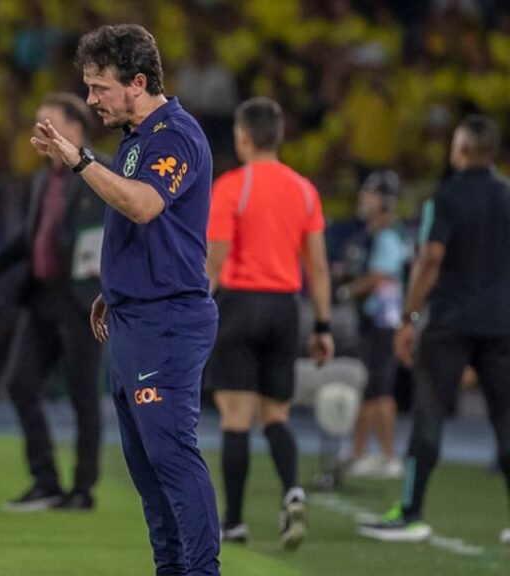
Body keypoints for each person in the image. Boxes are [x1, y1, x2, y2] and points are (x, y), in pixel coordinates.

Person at [33, 24, 221, 575]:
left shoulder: (176, 136)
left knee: (171, 456)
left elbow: (143, 206)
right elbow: (151, 231)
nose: (91, 99)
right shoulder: (137, 138)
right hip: (133, 317)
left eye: (100, 87)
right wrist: (113, 288)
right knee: (146, 467)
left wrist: (80, 160)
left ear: (138, 82)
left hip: (168, 321)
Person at [359, 115, 510, 544]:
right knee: (506, 421)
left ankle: (411, 513)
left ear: (460, 150)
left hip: (450, 323)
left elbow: (429, 260)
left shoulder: (446, 196)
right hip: (501, 324)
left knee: (429, 415)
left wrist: (408, 318)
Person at [205, 97, 333, 550]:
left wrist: (194, 310)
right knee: (276, 414)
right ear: (278, 136)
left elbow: (215, 262)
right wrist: (323, 326)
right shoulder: (304, 191)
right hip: (284, 308)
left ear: (242, 137)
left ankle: (234, 522)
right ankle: (293, 490)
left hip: (240, 304)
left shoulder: (231, 187)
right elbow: (318, 266)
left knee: (236, 417)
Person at [0, 92, 105, 512]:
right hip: (42, 296)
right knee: (20, 383)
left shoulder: (99, 171)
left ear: (75, 128)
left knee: (83, 395)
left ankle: (83, 488)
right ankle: (46, 480)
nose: (39, 131)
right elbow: (30, 239)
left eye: (47, 122)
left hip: (83, 301)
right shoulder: (43, 178)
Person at [341, 171, 407, 479]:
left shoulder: (388, 234)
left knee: (380, 387)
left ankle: (388, 455)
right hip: (372, 319)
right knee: (369, 387)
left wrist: (348, 290)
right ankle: (360, 452)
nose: (363, 198)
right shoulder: (373, 233)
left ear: (384, 199)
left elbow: (381, 276)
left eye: (370, 193)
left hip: (384, 319)